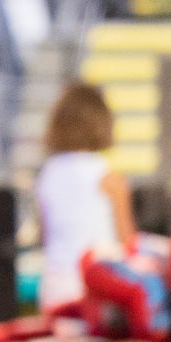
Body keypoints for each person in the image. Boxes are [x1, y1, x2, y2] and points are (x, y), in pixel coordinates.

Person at [33, 81, 132, 313]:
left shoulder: (47, 173)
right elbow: (128, 241)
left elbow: (46, 236)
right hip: (96, 290)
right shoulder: (108, 175)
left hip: (54, 289)